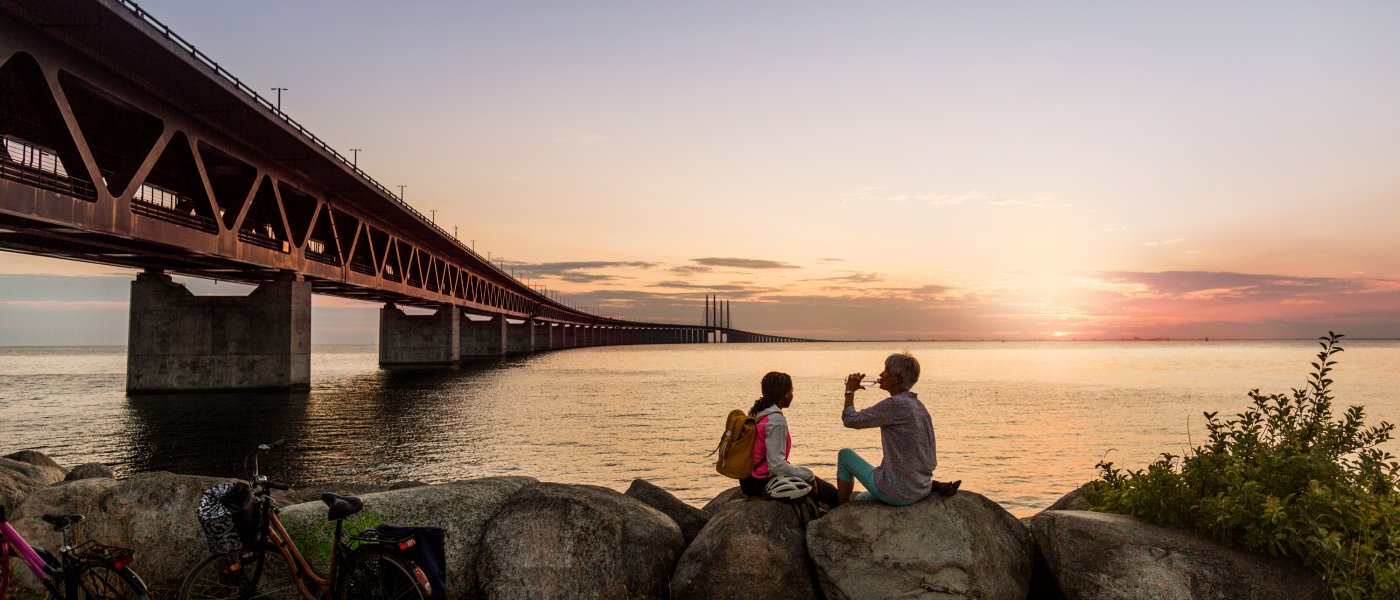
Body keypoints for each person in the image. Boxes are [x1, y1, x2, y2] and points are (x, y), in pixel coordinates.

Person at [837, 352, 960, 505]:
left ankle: (839, 509)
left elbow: (850, 420)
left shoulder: (894, 404)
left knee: (844, 455)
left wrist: (849, 391)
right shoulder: (919, 406)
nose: (881, 374)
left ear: (898, 378)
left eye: (886, 371)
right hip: (921, 487)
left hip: (897, 492)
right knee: (859, 498)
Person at [740, 371, 839, 508]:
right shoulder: (776, 420)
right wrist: (808, 474)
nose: (792, 395)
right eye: (791, 391)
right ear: (786, 394)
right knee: (832, 494)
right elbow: (777, 466)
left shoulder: (757, 411)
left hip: (748, 480)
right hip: (761, 482)